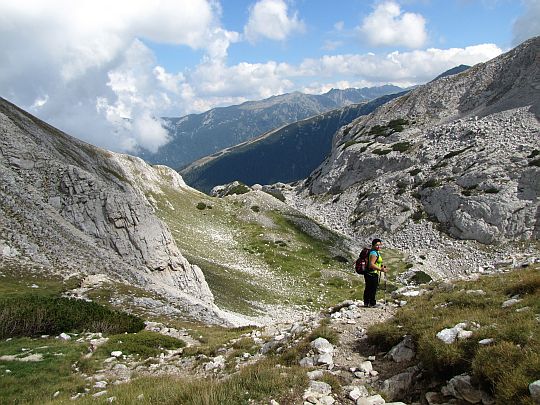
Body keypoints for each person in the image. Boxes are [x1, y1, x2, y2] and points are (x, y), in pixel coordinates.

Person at [363, 238, 388, 307]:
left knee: (369, 288)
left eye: (380, 245)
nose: (379, 246)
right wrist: (381, 269)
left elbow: (376, 262)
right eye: (377, 245)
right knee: (372, 288)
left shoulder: (375, 252)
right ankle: (372, 303)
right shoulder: (374, 253)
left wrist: (381, 266)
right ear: (373, 245)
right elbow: (371, 264)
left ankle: (366, 303)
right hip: (372, 273)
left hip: (370, 272)